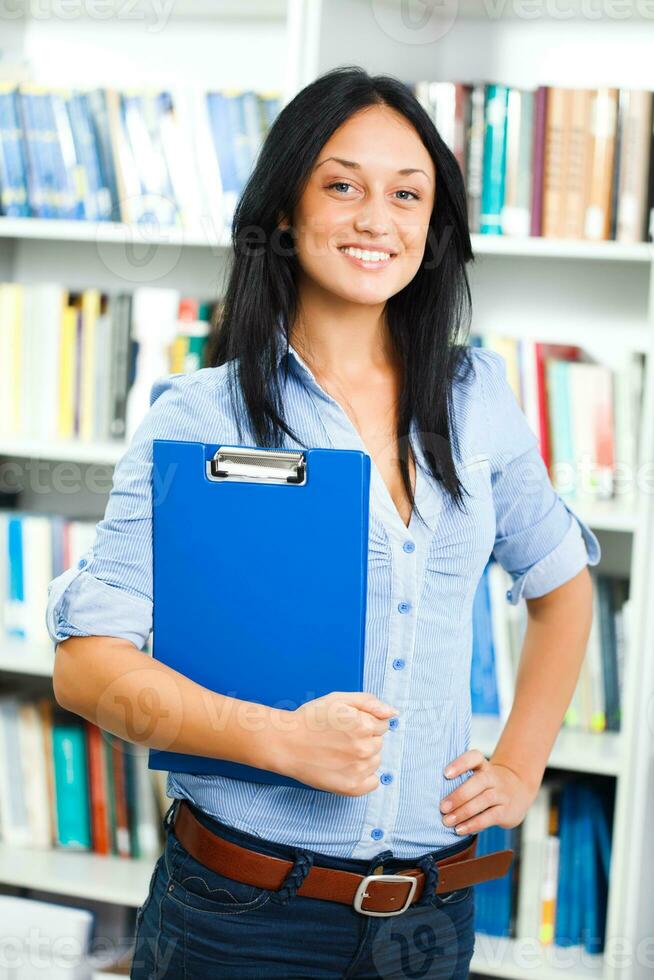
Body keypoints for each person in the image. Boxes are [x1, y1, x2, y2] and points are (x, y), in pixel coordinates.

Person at [46, 66, 601, 979]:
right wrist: (280, 739)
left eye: (407, 193)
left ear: (435, 226)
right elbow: (85, 667)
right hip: (239, 917)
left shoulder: (479, 398)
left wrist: (520, 765)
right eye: (342, 185)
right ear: (285, 212)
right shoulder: (199, 416)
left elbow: (563, 587)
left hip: (430, 919)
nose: (377, 219)